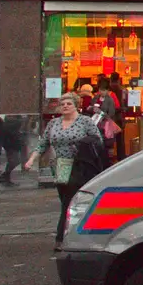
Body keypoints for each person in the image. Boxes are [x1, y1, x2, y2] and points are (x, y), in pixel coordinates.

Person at [31, 95, 106, 245]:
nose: (65, 106)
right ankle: (75, 232)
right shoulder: (53, 123)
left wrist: (82, 145)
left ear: (76, 105)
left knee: (69, 201)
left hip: (80, 165)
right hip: (60, 165)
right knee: (65, 200)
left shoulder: (85, 121)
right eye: (62, 104)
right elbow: (43, 143)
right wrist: (31, 159)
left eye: (69, 103)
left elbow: (98, 141)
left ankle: (61, 238)